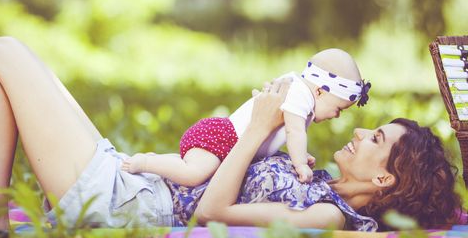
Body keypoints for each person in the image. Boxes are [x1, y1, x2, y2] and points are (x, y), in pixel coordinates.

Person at [0, 37, 460, 234]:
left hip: (128, 203)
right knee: (5, 59)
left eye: (376, 139)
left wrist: (254, 130)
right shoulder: (322, 180)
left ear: (384, 182)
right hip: (131, 183)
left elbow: (214, 211)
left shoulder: (328, 216)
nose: (359, 130)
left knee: (1, 54)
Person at [121, 48, 371, 185]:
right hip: (222, 139)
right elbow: (295, 132)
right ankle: (146, 163)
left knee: (198, 168)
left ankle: (163, 161)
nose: (336, 116)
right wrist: (300, 164)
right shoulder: (301, 96)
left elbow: (280, 134)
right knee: (193, 175)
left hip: (226, 142)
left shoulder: (300, 93)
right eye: (338, 109)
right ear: (321, 90)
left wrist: (301, 153)